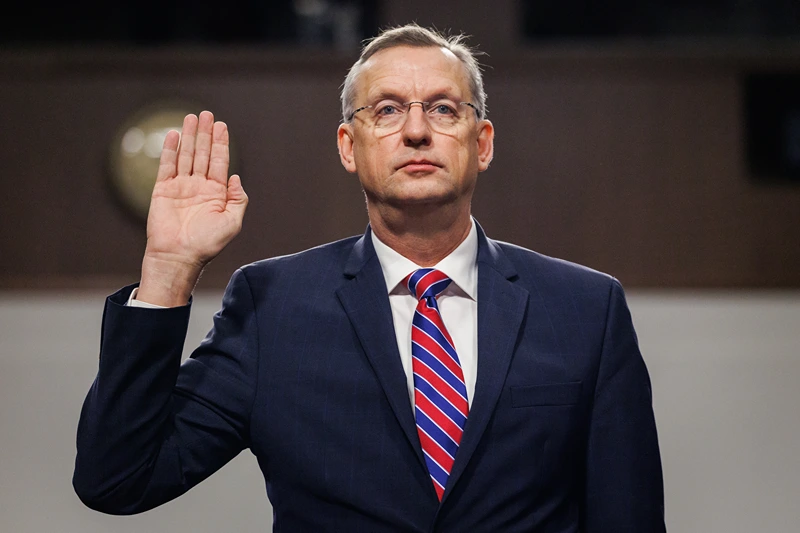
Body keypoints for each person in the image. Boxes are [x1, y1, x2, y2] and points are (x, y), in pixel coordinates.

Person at [73, 23, 666, 532]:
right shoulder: (272, 307)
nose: (415, 131)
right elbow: (119, 479)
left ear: (481, 143)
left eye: (442, 108)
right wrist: (168, 271)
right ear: (347, 147)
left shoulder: (586, 308)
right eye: (386, 110)